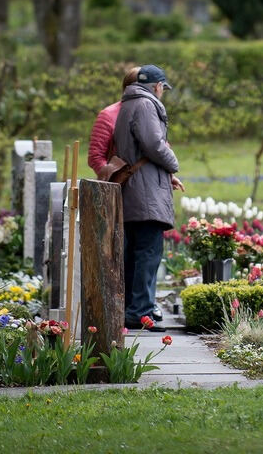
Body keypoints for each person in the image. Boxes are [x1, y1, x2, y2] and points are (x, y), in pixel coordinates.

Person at [114, 64, 184, 332]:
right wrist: (173, 163)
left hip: (135, 189)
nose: (163, 93)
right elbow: (154, 144)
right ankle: (140, 312)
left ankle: (133, 310)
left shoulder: (128, 103)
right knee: (147, 252)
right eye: (163, 88)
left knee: (135, 253)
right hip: (146, 192)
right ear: (157, 86)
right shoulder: (145, 105)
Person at [87, 66, 141, 180]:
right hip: (120, 186)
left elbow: (159, 149)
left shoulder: (153, 115)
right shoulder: (108, 115)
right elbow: (95, 157)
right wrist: (113, 178)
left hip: (151, 186)